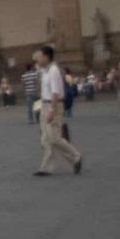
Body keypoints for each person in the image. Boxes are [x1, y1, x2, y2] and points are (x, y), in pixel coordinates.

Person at [32, 43, 83, 177]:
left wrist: (51, 110)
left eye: (40, 56)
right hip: (44, 104)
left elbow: (55, 93)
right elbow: (43, 89)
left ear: (47, 57)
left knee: (54, 138)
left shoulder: (54, 70)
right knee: (45, 139)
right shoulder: (44, 71)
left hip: (53, 105)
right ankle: (46, 167)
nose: (38, 59)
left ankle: (76, 156)